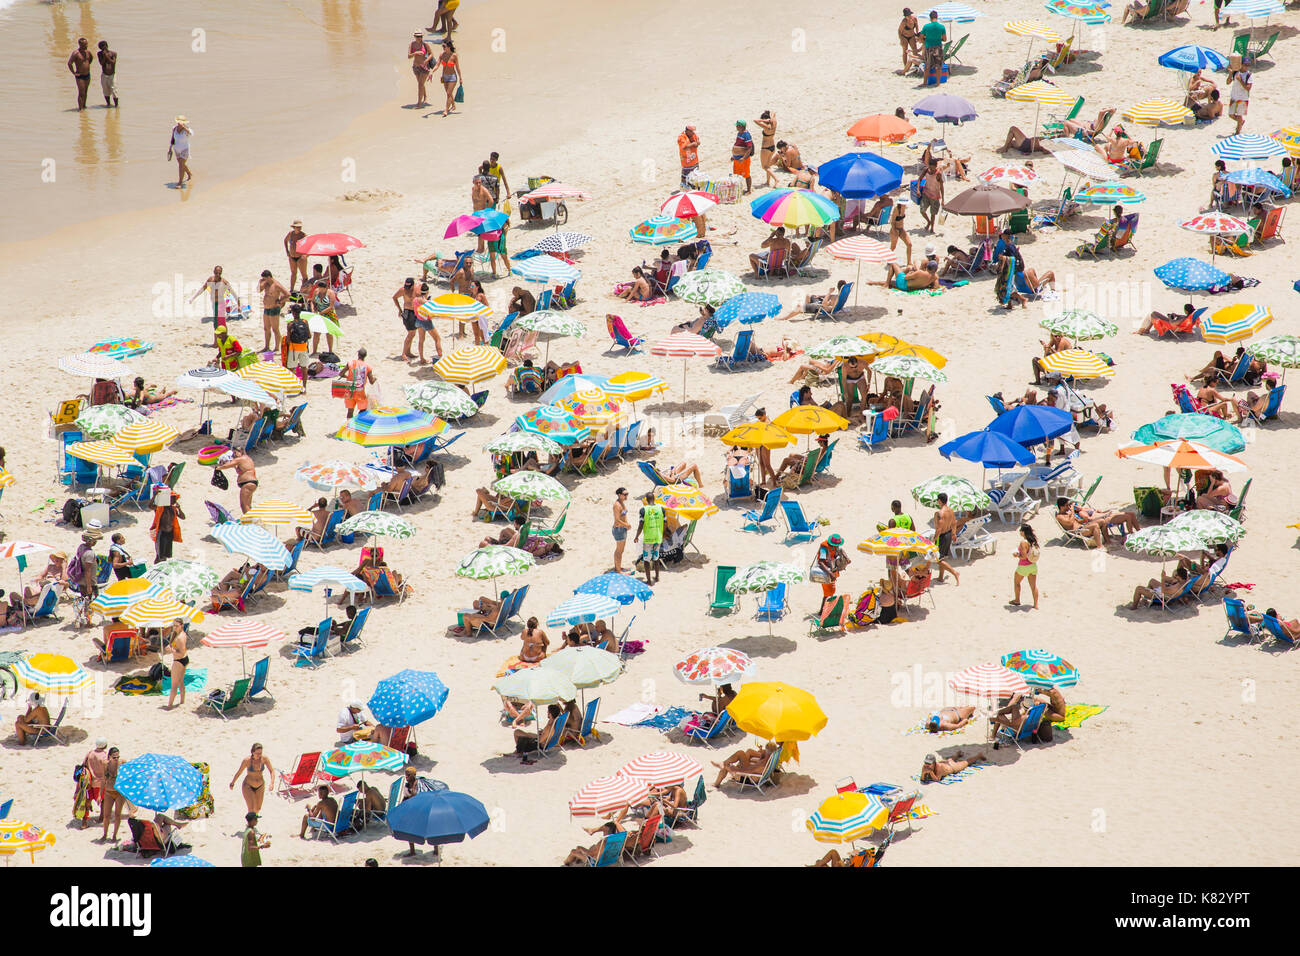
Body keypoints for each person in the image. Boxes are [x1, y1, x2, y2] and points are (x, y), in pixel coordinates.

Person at [712, 741, 779, 788]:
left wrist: (736, 769)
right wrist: (762, 754)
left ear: (767, 751)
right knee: (741, 753)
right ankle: (723, 763)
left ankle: (716, 784)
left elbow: (748, 771)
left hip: (747, 778)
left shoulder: (763, 765)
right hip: (752, 773)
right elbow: (752, 768)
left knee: (726, 766)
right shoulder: (769, 759)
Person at [230, 743, 273, 814]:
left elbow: (272, 771)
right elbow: (239, 772)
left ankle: (253, 820)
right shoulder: (247, 760)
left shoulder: (264, 759)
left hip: (260, 785)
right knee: (251, 808)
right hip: (248, 785)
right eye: (257, 753)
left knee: (258, 808)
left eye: (260, 753)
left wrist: (272, 782)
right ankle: (250, 823)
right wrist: (232, 783)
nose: (259, 755)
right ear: (252, 752)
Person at [633, 491, 665, 585]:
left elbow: (641, 524)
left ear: (646, 500)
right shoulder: (661, 509)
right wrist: (662, 533)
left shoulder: (643, 510)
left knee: (646, 560)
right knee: (656, 558)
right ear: (654, 499)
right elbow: (665, 523)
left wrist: (636, 536)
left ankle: (649, 580)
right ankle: (657, 577)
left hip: (648, 538)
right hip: (658, 537)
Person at [255, 270, 289, 353]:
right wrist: (260, 282)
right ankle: (267, 346)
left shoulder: (276, 285)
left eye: (265, 278)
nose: (264, 280)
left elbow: (287, 294)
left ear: (269, 277)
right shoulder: (266, 284)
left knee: (275, 329)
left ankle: (277, 347)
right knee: (266, 328)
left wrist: (280, 301)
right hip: (266, 308)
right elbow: (258, 290)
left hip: (274, 308)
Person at [932, 493, 962, 585]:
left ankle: (955, 573)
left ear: (939, 501)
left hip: (942, 536)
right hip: (949, 534)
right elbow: (954, 523)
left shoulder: (939, 513)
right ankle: (941, 577)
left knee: (938, 560)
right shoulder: (950, 510)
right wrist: (953, 534)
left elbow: (939, 529)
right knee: (943, 557)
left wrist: (933, 539)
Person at [340, 348, 376, 420]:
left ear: (358, 355)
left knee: (350, 411)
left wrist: (347, 377)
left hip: (350, 390)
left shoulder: (350, 363)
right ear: (365, 356)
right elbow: (371, 381)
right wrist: (375, 379)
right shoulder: (367, 367)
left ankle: (349, 426)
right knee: (363, 410)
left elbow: (341, 373)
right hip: (360, 391)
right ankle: (358, 423)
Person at [1011, 524, 1040, 609]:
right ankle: (1036, 605)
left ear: (1023, 532)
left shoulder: (1023, 542)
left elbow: (1023, 557)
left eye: (1020, 531)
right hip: (1033, 565)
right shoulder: (1033, 540)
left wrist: (1016, 555)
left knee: (1017, 583)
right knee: (1033, 586)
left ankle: (1017, 600)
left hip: (1023, 566)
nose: (1020, 532)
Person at [814, 532, 849, 598]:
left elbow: (841, 550)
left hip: (832, 570)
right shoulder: (824, 548)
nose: (837, 546)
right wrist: (830, 573)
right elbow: (820, 562)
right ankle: (824, 606)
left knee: (832, 589)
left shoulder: (835, 546)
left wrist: (846, 558)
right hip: (825, 571)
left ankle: (828, 605)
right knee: (827, 592)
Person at [164, 619, 189, 710]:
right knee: (180, 682)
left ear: (182, 625)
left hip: (179, 660)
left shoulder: (180, 637)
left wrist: (171, 650)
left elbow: (181, 653)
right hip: (183, 659)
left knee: (174, 685)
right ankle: (182, 701)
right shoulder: (179, 634)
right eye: (173, 625)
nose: (174, 627)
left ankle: (170, 705)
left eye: (177, 626)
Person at [872, 259, 940, 292]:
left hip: (903, 284)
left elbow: (906, 278)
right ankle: (873, 282)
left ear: (927, 266)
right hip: (910, 288)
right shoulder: (935, 277)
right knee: (892, 282)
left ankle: (886, 284)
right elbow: (935, 287)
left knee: (893, 264)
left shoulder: (920, 273)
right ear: (935, 269)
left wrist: (910, 273)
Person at [920, 751, 987, 782]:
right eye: (926, 763)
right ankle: (958, 754)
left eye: (929, 763)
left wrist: (931, 773)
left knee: (966, 763)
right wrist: (923, 773)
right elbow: (922, 779)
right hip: (946, 763)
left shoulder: (939, 767)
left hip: (952, 767)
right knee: (950, 760)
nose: (927, 765)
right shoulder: (925, 766)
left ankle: (978, 756)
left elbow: (937, 779)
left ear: (934, 763)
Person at [67, 37, 94, 111]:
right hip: (80, 76)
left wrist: (86, 66)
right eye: (85, 44)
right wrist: (74, 73)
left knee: (85, 91)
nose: (86, 45)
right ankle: (81, 109)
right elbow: (69, 63)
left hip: (87, 75)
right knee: (81, 92)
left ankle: (84, 106)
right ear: (80, 44)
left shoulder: (88, 52)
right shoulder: (76, 53)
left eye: (87, 44)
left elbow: (91, 59)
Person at [920, 10, 946, 83]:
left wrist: (925, 42)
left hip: (929, 47)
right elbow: (944, 39)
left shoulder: (926, 26)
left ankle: (925, 83)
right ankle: (938, 83)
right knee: (938, 66)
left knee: (927, 66)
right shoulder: (941, 27)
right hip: (938, 47)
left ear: (930, 18)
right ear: (937, 17)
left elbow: (921, 38)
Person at [167, 116, 194, 188]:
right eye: (178, 122)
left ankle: (180, 182)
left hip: (184, 149)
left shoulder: (186, 129)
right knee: (181, 164)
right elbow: (172, 139)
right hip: (177, 149)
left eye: (181, 122)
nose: (179, 123)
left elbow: (191, 134)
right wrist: (170, 148)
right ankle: (189, 173)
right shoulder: (174, 128)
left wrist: (184, 127)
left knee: (180, 165)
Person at [437, 38, 461, 116]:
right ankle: (453, 105)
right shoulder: (442, 55)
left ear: (449, 46)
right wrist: (432, 72)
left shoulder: (454, 56)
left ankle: (446, 110)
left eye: (444, 46)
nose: (443, 48)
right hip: (444, 76)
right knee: (448, 94)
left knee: (448, 93)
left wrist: (460, 78)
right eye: (442, 46)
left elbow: (457, 67)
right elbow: (437, 65)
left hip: (452, 77)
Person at [409, 31, 433, 107]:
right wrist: (415, 53)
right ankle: (425, 96)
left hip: (424, 67)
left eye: (421, 36)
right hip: (416, 67)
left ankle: (419, 102)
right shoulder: (412, 44)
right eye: (418, 36)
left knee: (420, 84)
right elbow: (409, 56)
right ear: (415, 37)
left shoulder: (425, 44)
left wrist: (426, 60)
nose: (419, 38)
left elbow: (431, 54)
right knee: (421, 83)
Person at [755, 111, 779, 187]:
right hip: (772, 146)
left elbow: (755, 121)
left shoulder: (767, 127)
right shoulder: (774, 123)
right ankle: (768, 182)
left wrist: (764, 121)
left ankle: (776, 179)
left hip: (765, 148)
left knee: (764, 167)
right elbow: (773, 113)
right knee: (768, 166)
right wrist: (770, 118)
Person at [919, 159, 944, 232]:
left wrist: (943, 199)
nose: (932, 169)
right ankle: (928, 222)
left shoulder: (938, 174)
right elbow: (919, 179)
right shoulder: (926, 170)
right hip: (926, 193)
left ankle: (932, 228)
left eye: (933, 168)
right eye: (930, 167)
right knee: (922, 211)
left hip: (935, 196)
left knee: (933, 213)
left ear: (936, 167)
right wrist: (917, 189)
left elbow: (941, 186)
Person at [1227, 62, 1251, 135]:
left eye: (1248, 65)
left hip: (1243, 98)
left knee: (1240, 115)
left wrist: (1240, 80)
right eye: (1245, 65)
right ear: (1241, 65)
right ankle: (1240, 122)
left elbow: (1248, 88)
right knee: (1231, 114)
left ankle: (1237, 132)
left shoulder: (1248, 75)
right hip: (1234, 96)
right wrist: (1231, 73)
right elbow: (1228, 82)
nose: (1247, 67)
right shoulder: (1235, 72)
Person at [732, 120, 754, 193]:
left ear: (741, 126)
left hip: (743, 159)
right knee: (737, 174)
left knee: (746, 174)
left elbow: (749, 148)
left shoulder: (746, 135)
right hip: (736, 158)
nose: (736, 127)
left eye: (737, 125)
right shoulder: (739, 133)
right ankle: (738, 189)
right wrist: (733, 155)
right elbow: (737, 144)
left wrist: (744, 158)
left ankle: (749, 190)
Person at [612, 487, 631, 573]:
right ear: (619, 495)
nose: (626, 496)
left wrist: (626, 525)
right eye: (625, 494)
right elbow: (617, 519)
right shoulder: (617, 505)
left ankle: (618, 567)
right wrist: (626, 524)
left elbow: (622, 516)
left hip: (622, 528)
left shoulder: (622, 503)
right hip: (619, 529)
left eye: (627, 494)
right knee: (619, 551)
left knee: (621, 550)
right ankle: (618, 570)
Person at [888, 200, 912, 264]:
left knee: (909, 244)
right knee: (893, 246)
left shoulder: (904, 209)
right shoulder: (896, 209)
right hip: (894, 229)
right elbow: (892, 222)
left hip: (901, 229)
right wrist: (894, 231)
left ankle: (909, 262)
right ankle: (889, 259)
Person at [96, 41, 119, 108]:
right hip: (104, 74)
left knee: (114, 90)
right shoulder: (99, 54)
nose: (103, 49)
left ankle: (116, 106)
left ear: (107, 46)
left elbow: (113, 63)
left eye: (104, 47)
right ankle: (108, 104)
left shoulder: (113, 53)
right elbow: (101, 64)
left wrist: (107, 56)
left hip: (112, 75)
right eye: (101, 48)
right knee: (105, 90)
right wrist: (104, 56)